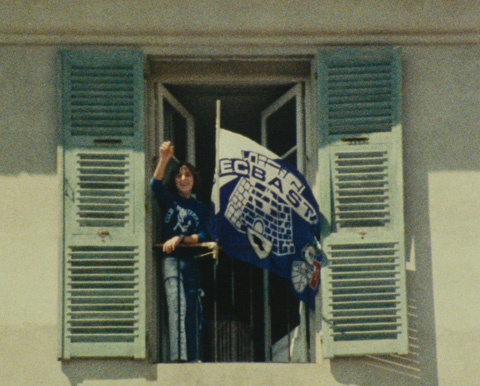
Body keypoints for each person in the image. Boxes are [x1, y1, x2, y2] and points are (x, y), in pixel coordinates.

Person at [151, 140, 209, 362]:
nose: (183, 179)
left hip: (192, 262)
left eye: (188, 175)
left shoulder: (201, 208)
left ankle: (193, 357)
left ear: (194, 181)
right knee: (176, 306)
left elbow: (204, 235)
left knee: (192, 309)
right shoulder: (170, 200)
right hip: (171, 260)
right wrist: (164, 159)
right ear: (175, 181)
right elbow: (155, 186)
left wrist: (181, 238)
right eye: (179, 176)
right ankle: (178, 358)